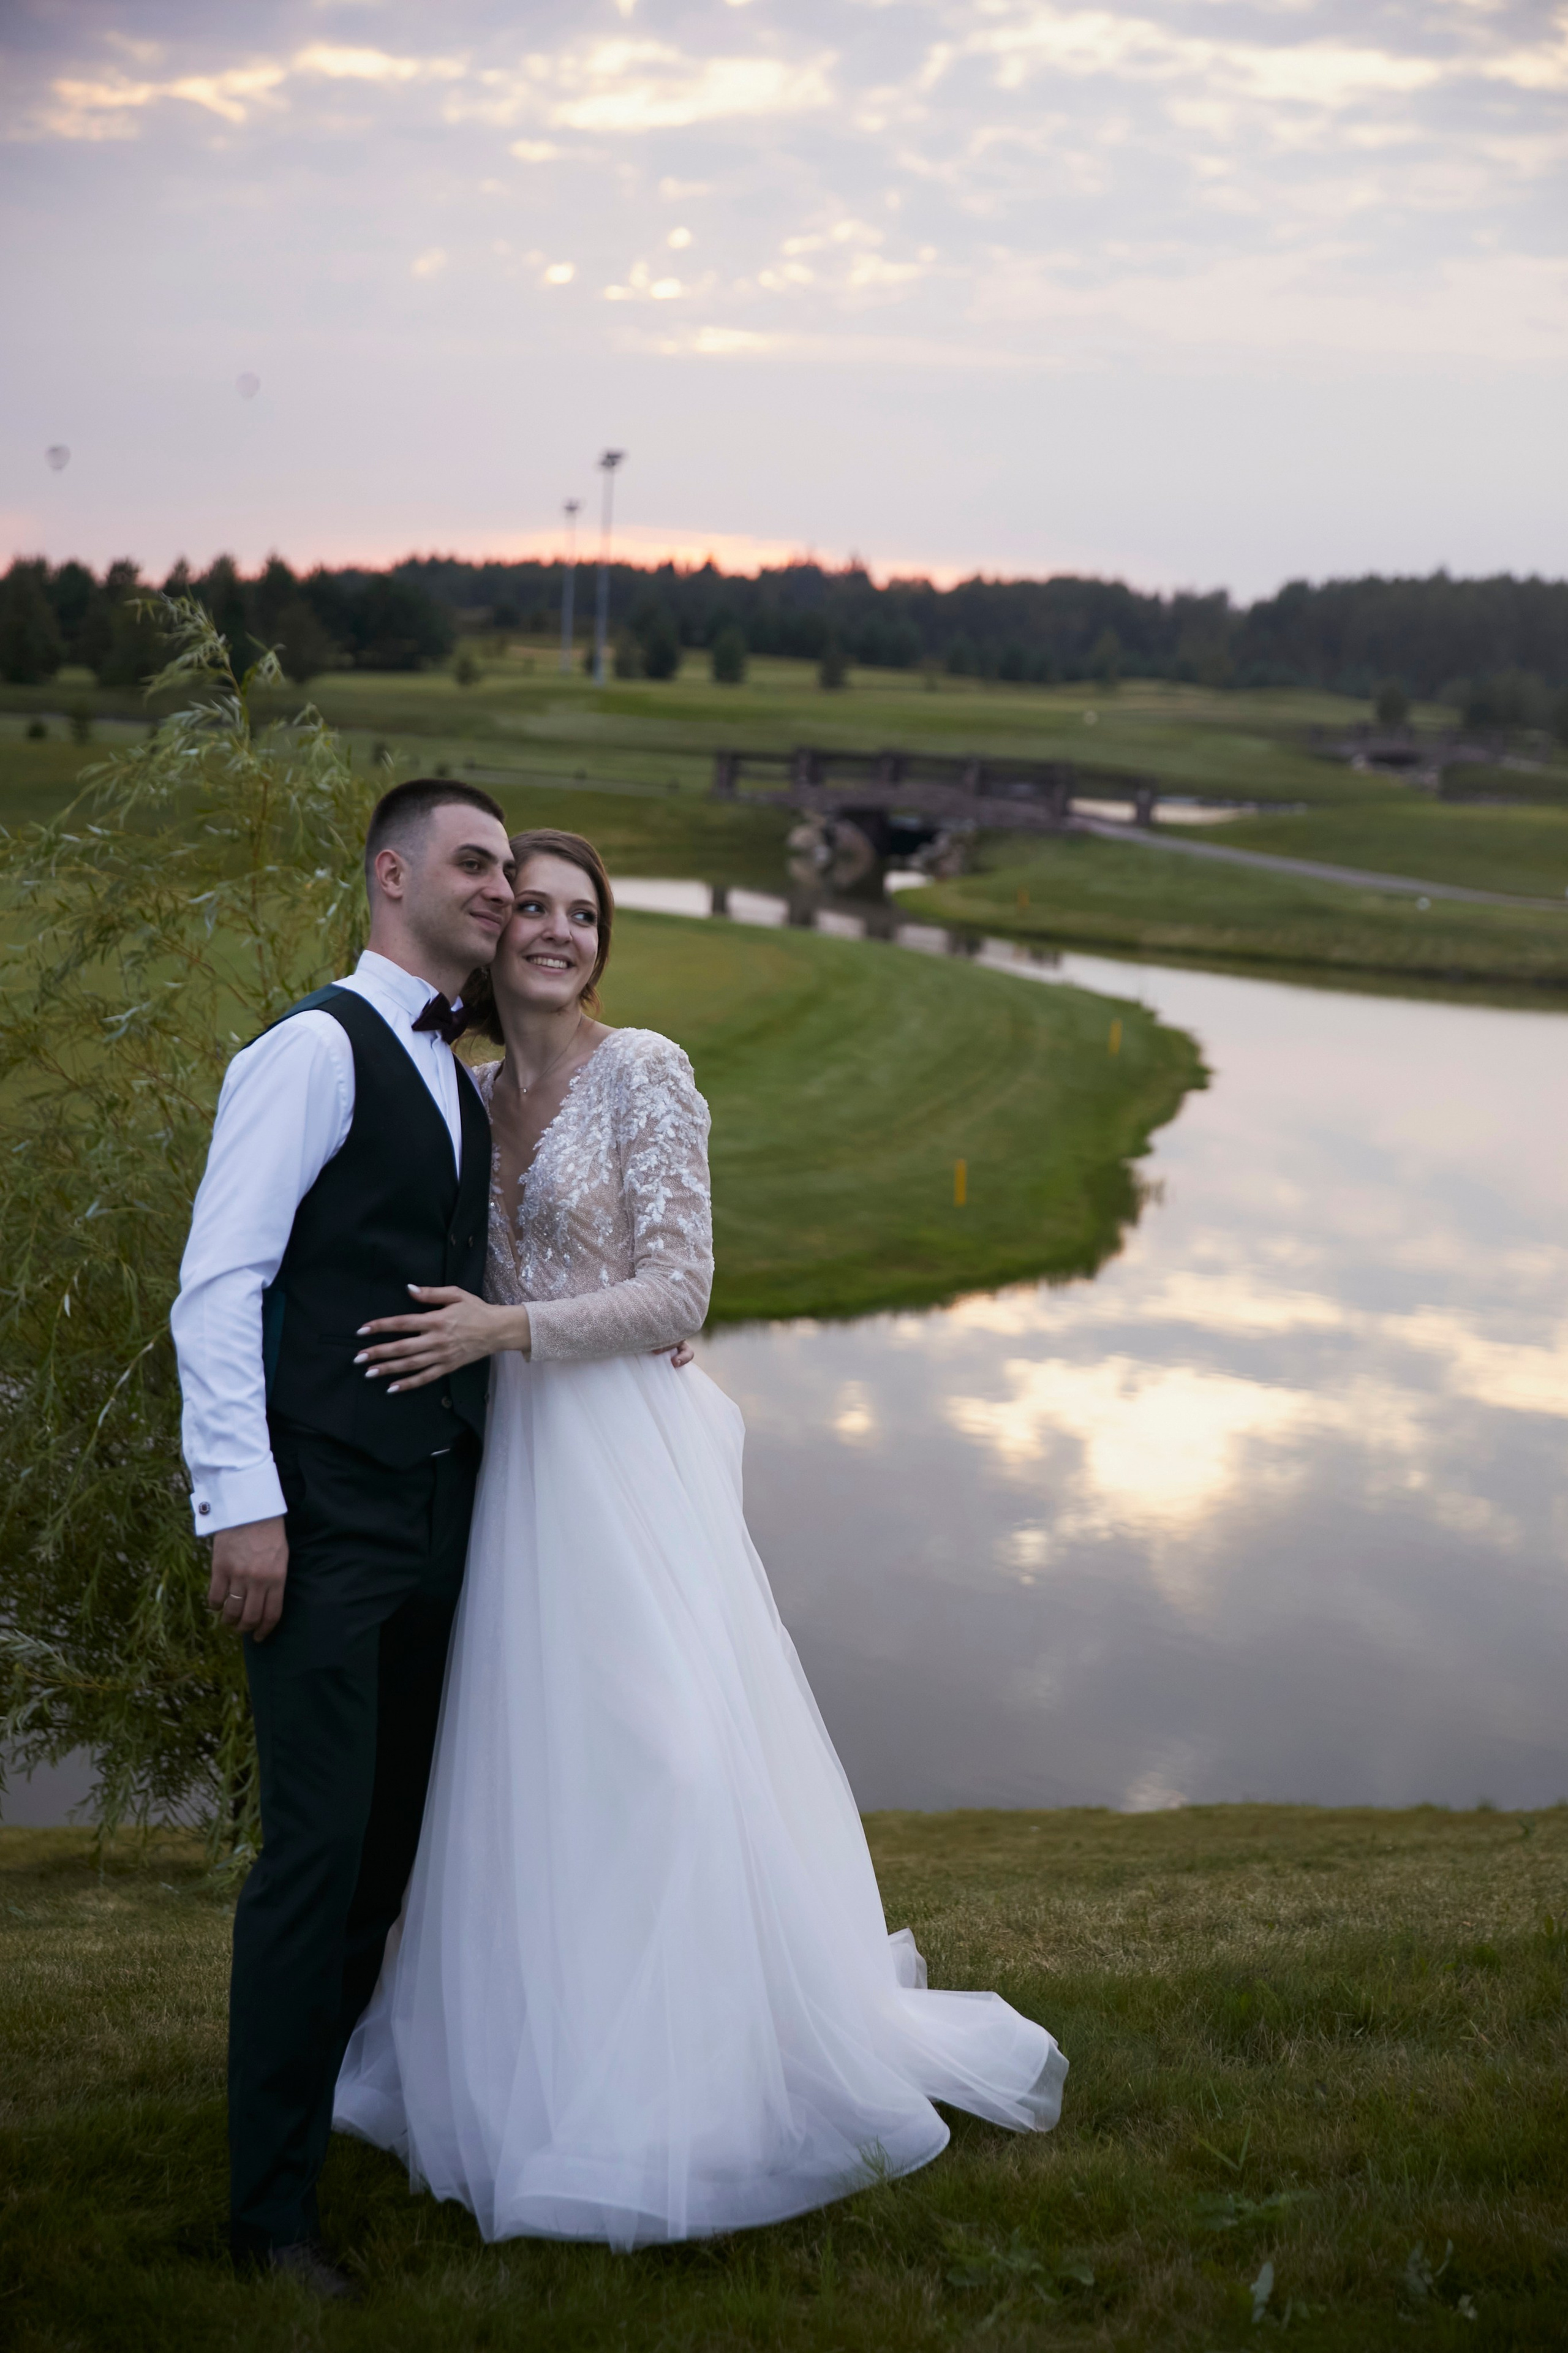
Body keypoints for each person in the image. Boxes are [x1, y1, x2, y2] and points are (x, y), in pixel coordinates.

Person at [333, 827, 1067, 2248]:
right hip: (512, 1473)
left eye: (580, 913)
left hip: (622, 1460)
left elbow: (682, 1289)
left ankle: (701, 2076)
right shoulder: (468, 1091)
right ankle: (534, 2068)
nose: (551, 930)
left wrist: (515, 1326)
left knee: (666, 1749)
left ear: (605, 939)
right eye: (528, 908)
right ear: (493, 936)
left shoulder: (648, 1071)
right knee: (529, 1768)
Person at [171, 779, 518, 2302]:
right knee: (313, 1859)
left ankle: (314, 2134)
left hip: (437, 1517)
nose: (502, 889)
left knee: (385, 1856)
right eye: (475, 862)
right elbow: (220, 1282)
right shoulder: (312, 1050)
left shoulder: (458, 1069)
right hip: (318, 1525)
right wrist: (240, 1501)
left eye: (511, 867)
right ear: (392, 876)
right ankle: (266, 2218)